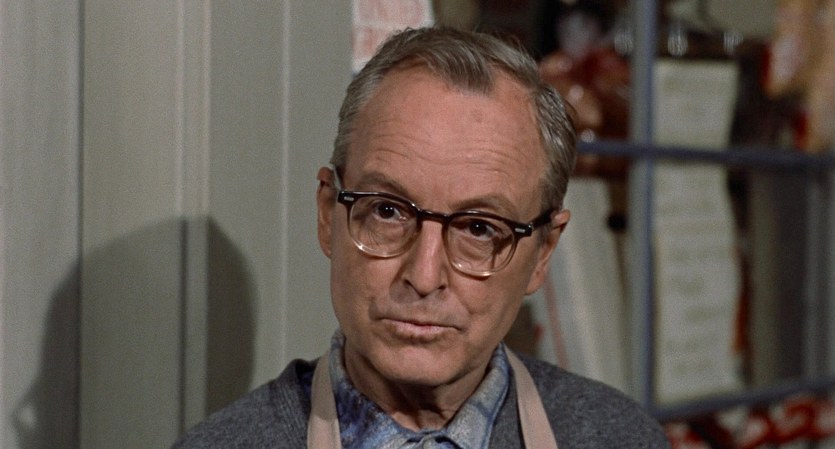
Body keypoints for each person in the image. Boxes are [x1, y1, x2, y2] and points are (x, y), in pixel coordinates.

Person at [173, 27, 670, 448]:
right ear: (328, 215)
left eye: (479, 228)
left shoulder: (620, 438)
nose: (424, 276)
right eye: (387, 211)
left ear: (542, 253)